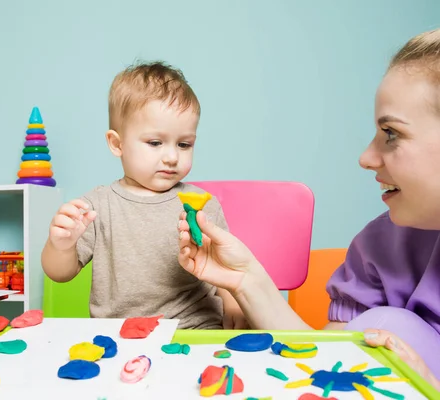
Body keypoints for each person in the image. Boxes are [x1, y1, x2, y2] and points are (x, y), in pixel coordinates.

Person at [177, 28, 440, 391]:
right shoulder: (379, 245)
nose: (366, 157)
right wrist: (245, 278)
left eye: (391, 134)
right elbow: (324, 355)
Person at [41, 61, 244, 329]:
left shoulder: (203, 205)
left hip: (194, 327)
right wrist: (61, 246)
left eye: (184, 144)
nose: (172, 157)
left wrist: (232, 303)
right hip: (119, 333)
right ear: (117, 143)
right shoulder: (96, 206)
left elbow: (225, 266)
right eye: (155, 143)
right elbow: (59, 274)